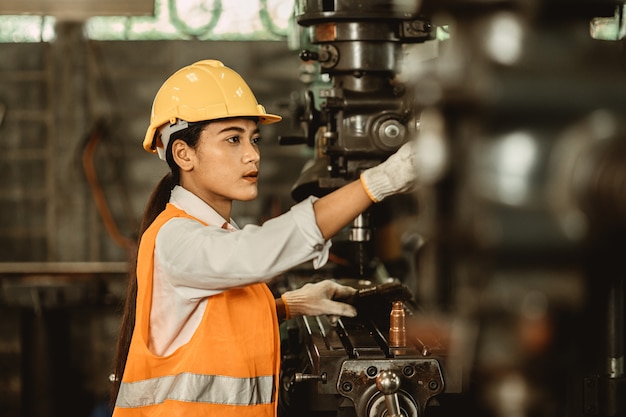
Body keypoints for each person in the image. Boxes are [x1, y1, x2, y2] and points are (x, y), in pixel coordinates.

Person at [110, 59, 418, 417]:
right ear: (184, 153)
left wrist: (289, 306)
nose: (253, 154)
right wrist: (379, 182)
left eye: (254, 139)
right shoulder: (174, 238)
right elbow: (254, 254)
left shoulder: (211, 232)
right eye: (233, 139)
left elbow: (210, 329)